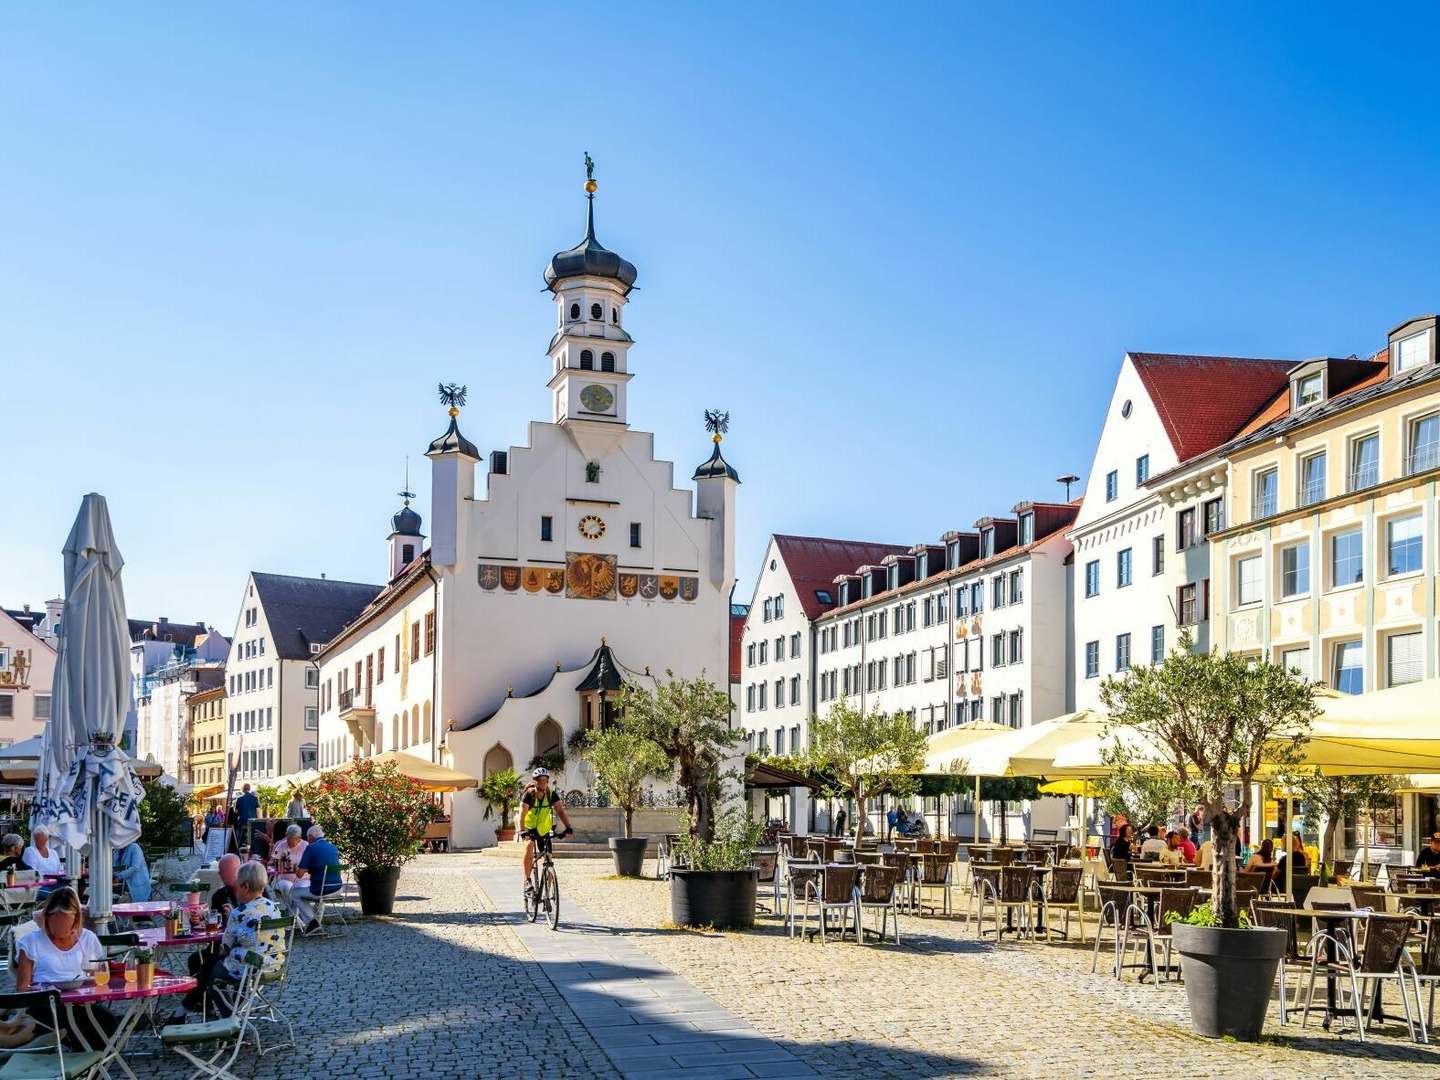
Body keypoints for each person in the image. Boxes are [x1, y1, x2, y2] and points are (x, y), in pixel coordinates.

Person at [16, 887, 117, 1046]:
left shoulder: (88, 939)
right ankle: (78, 1065)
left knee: (107, 1021)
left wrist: (90, 983)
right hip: (46, 1006)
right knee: (75, 1027)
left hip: (82, 1004)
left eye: (65, 923)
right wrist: (41, 989)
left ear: (76, 919)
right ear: (47, 918)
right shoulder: (30, 942)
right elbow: (22, 989)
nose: (60, 929)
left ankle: (91, 1068)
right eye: (56, 922)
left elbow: (99, 978)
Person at [187, 861, 283, 1015]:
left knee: (214, 977)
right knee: (212, 964)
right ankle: (232, 1011)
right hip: (274, 962)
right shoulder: (274, 907)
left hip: (250, 966)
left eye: (238, 885)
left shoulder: (238, 913)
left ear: (245, 887)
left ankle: (230, 1017)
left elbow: (224, 947)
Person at [519, 768, 574, 899]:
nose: (543, 783)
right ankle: (527, 881)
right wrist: (522, 831)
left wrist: (568, 827)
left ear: (548, 781)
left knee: (549, 860)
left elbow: (560, 811)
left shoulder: (551, 795)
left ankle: (546, 894)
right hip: (530, 828)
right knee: (529, 846)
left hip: (544, 829)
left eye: (545, 780)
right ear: (535, 781)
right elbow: (522, 813)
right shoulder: (529, 795)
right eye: (540, 780)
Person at [289, 825, 344, 933]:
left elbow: (299, 874)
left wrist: (297, 867)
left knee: (294, 893)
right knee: (317, 892)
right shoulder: (332, 846)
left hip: (322, 891)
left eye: (307, 838)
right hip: (338, 888)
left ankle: (312, 922)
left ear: (310, 837)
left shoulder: (311, 848)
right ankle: (315, 922)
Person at [269, 825, 309, 908]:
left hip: (303, 879)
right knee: (287, 886)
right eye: (288, 838)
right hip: (284, 878)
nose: (288, 841)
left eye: (291, 839)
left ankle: (296, 913)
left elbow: (311, 864)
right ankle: (290, 911)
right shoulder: (281, 845)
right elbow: (272, 862)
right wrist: (278, 865)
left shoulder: (306, 846)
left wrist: (301, 869)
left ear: (298, 838)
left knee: (301, 888)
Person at [235, 784, 260, 849]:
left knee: (240, 837)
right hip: (252, 821)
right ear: (249, 789)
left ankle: (240, 849)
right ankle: (253, 848)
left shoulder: (239, 799)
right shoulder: (254, 798)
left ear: (242, 789)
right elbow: (258, 810)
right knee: (252, 837)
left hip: (242, 821)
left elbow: (236, 812)